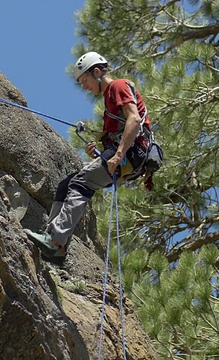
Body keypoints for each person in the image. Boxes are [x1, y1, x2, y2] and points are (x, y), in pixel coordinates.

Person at [24, 51, 151, 262]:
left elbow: (134, 120)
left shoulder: (117, 86)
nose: (84, 86)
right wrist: (99, 150)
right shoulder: (109, 98)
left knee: (81, 183)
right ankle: (55, 245)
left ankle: (55, 241)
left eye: (85, 80)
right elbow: (118, 131)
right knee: (66, 185)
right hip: (127, 155)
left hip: (129, 154)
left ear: (97, 72)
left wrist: (118, 155)